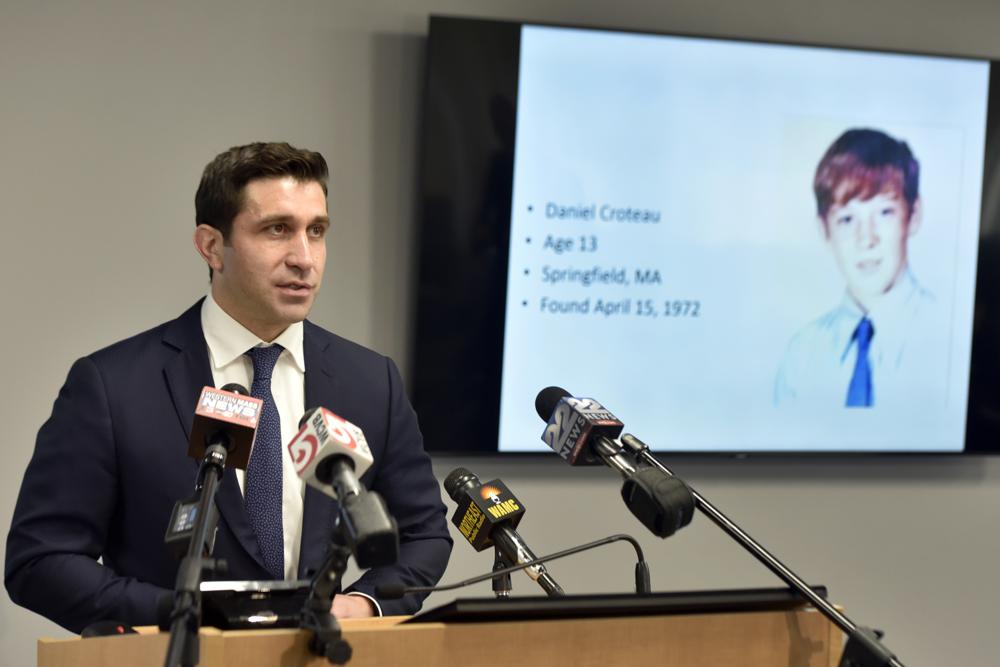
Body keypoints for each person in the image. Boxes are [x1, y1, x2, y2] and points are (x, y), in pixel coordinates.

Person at [5, 142, 452, 633]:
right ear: (212, 246)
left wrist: (362, 604)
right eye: (277, 230)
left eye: (317, 231)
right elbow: (40, 559)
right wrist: (176, 613)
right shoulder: (113, 386)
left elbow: (424, 532)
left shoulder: (371, 381)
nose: (304, 258)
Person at [775, 128, 940, 408]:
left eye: (885, 213)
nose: (867, 239)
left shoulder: (948, 339)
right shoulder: (802, 354)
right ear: (824, 229)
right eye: (848, 220)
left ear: (913, 216)